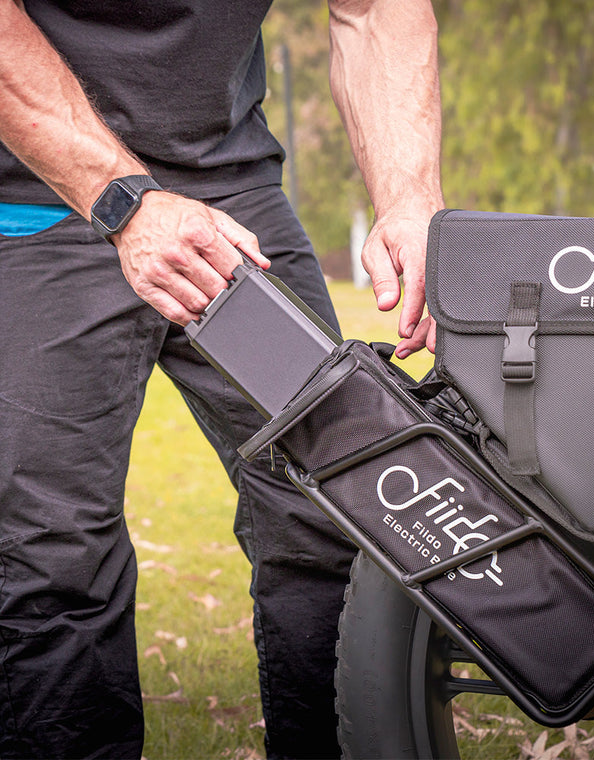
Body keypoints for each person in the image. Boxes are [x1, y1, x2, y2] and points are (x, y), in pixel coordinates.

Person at [0, 0, 444, 757]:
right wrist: (124, 200)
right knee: (51, 557)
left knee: (335, 509)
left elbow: (374, 9)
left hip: (231, 197)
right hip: (36, 198)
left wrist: (410, 199)